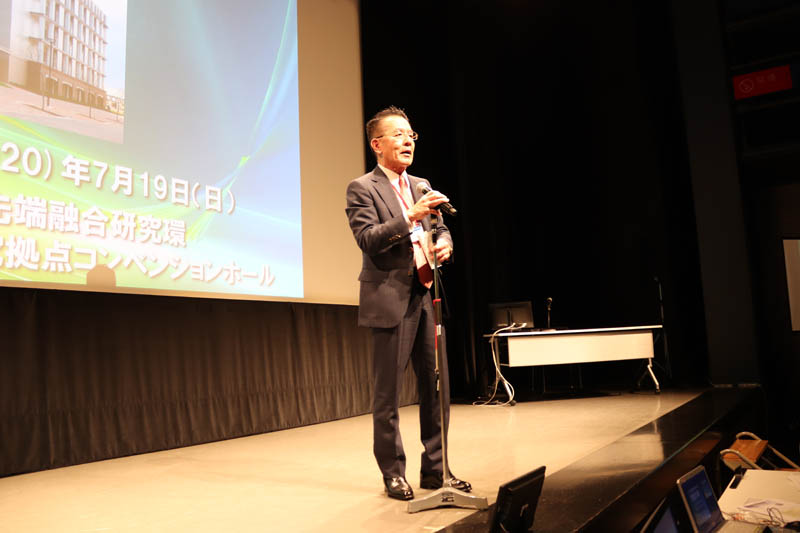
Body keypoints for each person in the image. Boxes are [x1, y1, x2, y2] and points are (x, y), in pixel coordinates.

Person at [345, 106, 471, 501]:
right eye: (398, 134)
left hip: (426, 295)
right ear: (377, 144)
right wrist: (410, 217)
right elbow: (368, 239)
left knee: (436, 388)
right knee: (388, 395)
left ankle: (437, 470)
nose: (407, 141)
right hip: (388, 299)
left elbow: (440, 226)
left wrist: (445, 243)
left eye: (411, 135)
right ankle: (393, 474)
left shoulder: (420, 185)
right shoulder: (362, 188)